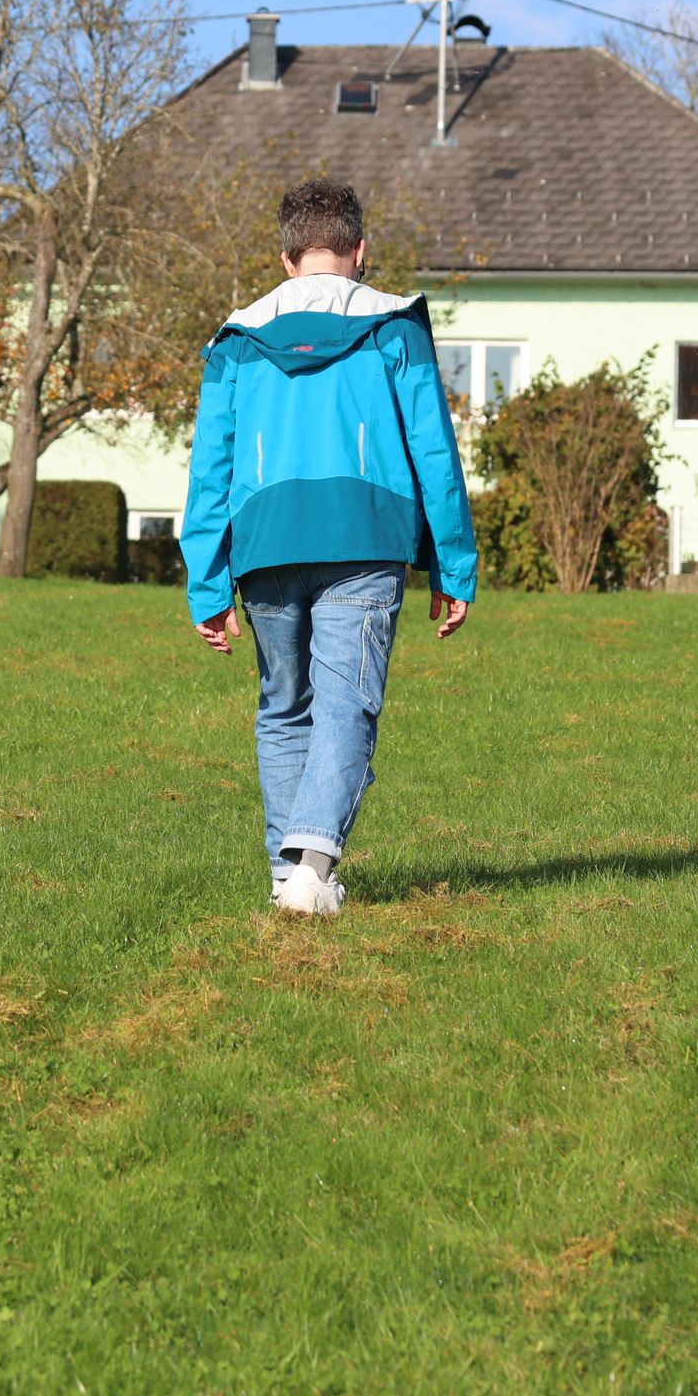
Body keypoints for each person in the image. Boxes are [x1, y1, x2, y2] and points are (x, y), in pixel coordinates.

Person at [181, 176, 477, 917]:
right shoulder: (394, 326)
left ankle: (292, 880)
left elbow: (210, 466)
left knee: (284, 708)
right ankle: (312, 868)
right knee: (346, 707)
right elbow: (433, 453)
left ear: (287, 259)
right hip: (365, 534)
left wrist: (208, 586)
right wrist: (454, 563)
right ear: (360, 250)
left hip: (265, 540)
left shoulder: (236, 339)